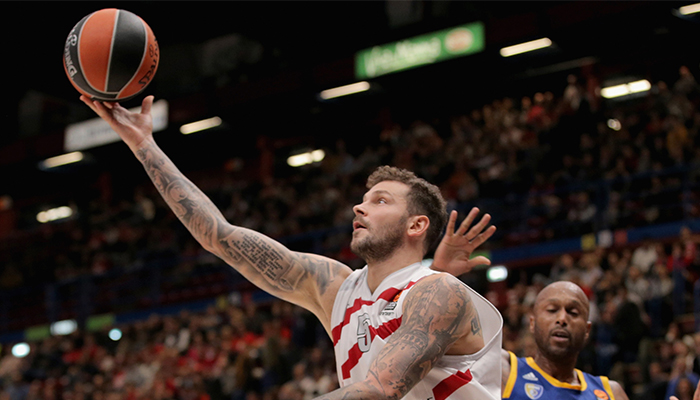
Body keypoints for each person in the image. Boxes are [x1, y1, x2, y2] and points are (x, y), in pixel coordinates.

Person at [80, 95, 504, 399]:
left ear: (416, 224)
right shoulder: (336, 288)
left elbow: (379, 390)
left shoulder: (437, 290)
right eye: (363, 198)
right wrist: (143, 145)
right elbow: (217, 234)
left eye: (380, 201)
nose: (359, 207)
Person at [500, 281, 630, 400]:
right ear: (533, 323)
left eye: (573, 312)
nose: (562, 318)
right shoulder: (506, 370)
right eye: (552, 310)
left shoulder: (611, 392)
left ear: (587, 330)